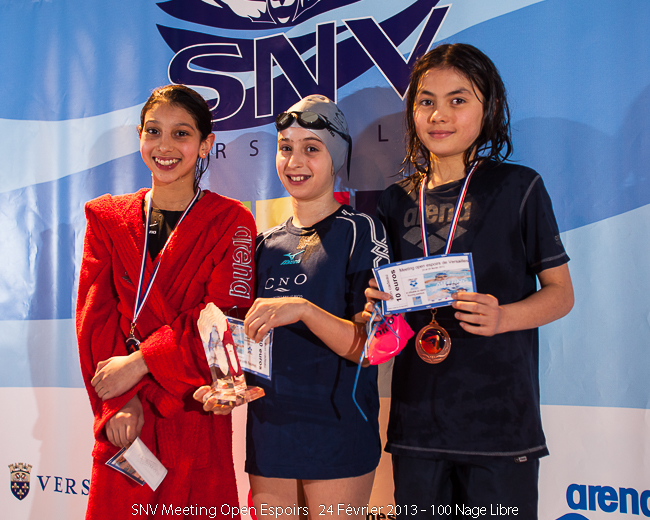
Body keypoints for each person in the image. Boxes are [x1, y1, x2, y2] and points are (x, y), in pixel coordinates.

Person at [364, 44, 574, 518]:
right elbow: (384, 311)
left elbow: (561, 294)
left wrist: (504, 317)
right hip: (417, 425)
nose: (439, 115)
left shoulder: (519, 187)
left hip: (499, 425)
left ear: (489, 108)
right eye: (426, 101)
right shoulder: (394, 200)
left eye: (457, 100)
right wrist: (377, 306)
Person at [200, 95, 390, 519]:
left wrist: (303, 309)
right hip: (270, 433)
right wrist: (224, 383)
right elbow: (245, 342)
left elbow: (373, 347)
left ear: (337, 157)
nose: (295, 161)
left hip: (338, 432)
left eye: (311, 148)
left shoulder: (361, 231)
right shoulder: (263, 245)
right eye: (285, 147)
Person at [76, 84, 256, 519]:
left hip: (192, 408)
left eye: (182, 133)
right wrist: (118, 403)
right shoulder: (108, 219)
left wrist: (141, 363)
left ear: (205, 144)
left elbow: (222, 321)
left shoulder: (232, 221)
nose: (165, 146)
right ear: (139, 136)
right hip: (128, 417)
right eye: (154, 131)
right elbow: (95, 317)